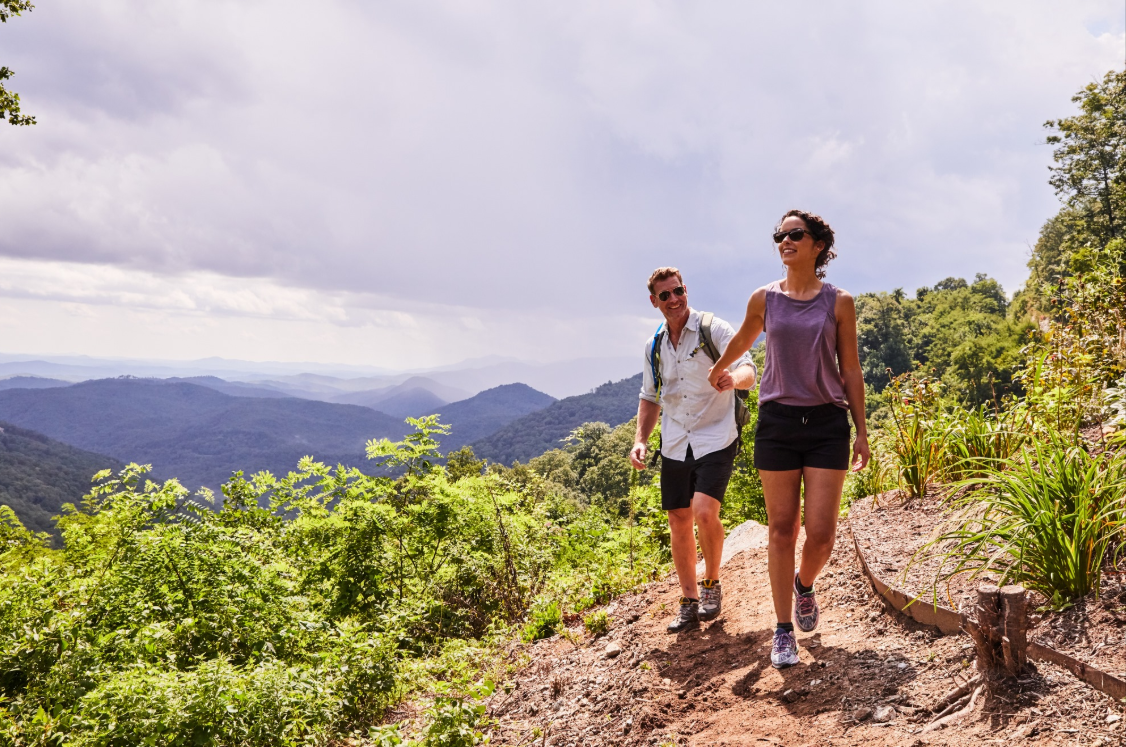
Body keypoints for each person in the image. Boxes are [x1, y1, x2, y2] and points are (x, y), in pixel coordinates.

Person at [707, 210, 869, 668]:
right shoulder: (765, 298)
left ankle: (804, 584)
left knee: (820, 533)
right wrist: (721, 369)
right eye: (779, 235)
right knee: (782, 529)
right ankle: (782, 630)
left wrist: (862, 430)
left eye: (795, 234)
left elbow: (850, 368)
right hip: (777, 421)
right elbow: (743, 338)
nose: (785, 241)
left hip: (826, 423)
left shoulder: (839, 302)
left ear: (818, 245)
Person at [630, 267, 758, 634]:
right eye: (665, 295)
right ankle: (687, 601)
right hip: (674, 440)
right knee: (678, 520)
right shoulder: (654, 345)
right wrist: (640, 439)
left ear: (686, 290)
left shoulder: (712, 329)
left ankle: (712, 584)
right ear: (654, 301)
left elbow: (749, 367)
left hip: (717, 434)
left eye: (678, 290)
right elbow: (650, 396)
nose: (674, 299)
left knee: (703, 511)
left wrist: (733, 379)